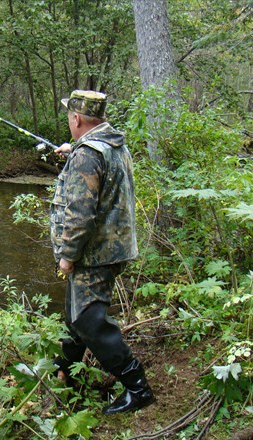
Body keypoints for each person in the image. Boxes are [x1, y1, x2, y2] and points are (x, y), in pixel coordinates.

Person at [50, 90, 154, 415]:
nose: (69, 120)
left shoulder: (88, 155)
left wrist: (67, 255)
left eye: (70, 116)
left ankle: (137, 387)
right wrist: (75, 152)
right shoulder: (110, 145)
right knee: (74, 314)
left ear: (77, 119)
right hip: (114, 246)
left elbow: (80, 214)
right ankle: (63, 370)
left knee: (88, 320)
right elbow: (99, 171)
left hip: (95, 253)